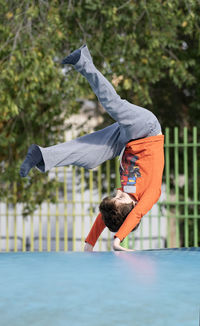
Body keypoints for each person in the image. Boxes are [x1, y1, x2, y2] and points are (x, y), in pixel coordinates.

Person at [20, 45, 164, 251]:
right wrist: (117, 239)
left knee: (90, 158)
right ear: (131, 207)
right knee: (113, 105)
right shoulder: (151, 194)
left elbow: (104, 217)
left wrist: (89, 244)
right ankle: (82, 61)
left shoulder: (125, 196)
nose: (118, 191)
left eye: (115, 195)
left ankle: (42, 155)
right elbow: (138, 214)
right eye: (120, 197)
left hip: (126, 141)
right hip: (147, 130)